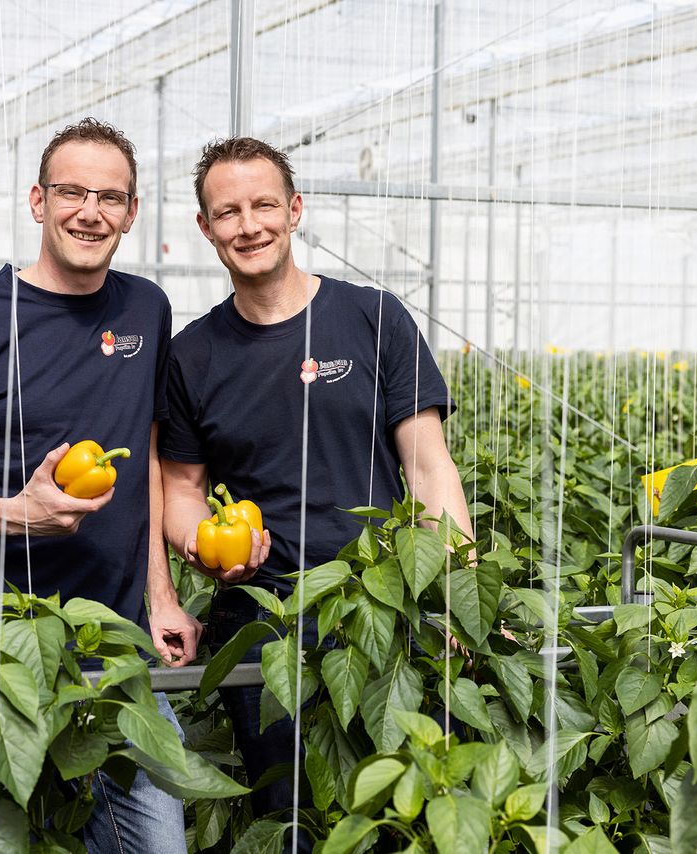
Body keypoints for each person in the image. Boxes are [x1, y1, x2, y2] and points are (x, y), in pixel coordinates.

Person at [0, 117, 199, 852]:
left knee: (159, 842)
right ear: (37, 200)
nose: (89, 212)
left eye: (111, 197)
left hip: (114, 654)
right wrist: (15, 513)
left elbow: (147, 461)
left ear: (131, 213)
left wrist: (159, 597)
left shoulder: (145, 310)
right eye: (71, 192)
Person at [160, 137, 474, 841]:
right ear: (206, 228)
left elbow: (428, 468)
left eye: (264, 204)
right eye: (228, 212)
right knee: (292, 816)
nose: (249, 225)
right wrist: (200, 547)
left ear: (295, 209)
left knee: (411, 806)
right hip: (264, 622)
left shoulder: (374, 317)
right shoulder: (193, 355)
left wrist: (457, 594)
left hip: (384, 608)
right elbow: (181, 489)